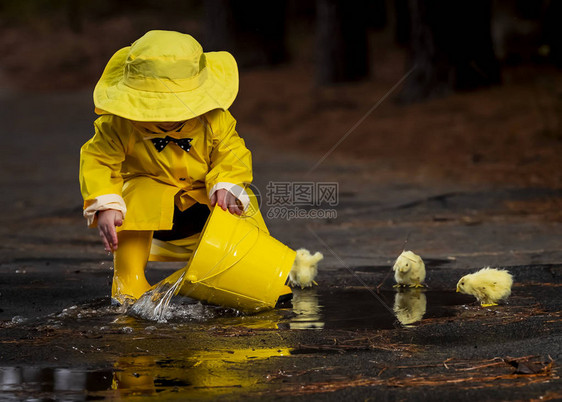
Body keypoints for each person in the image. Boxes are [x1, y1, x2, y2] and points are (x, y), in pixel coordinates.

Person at [79, 30, 261, 305]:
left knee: (243, 204)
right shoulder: (118, 125)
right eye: (153, 108)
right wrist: (105, 203)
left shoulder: (215, 120)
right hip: (151, 220)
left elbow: (232, 152)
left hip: (205, 209)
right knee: (137, 192)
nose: (165, 119)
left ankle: (254, 270)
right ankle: (128, 279)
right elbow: (98, 160)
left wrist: (227, 183)